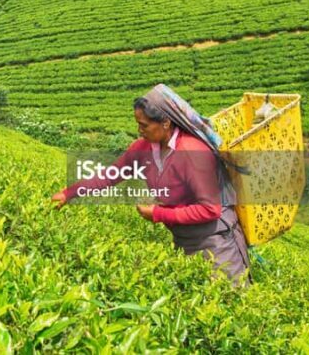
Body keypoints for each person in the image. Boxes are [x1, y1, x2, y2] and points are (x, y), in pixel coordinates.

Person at [51, 83, 252, 287]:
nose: (139, 131)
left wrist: (158, 214)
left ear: (165, 122)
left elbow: (210, 210)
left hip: (217, 241)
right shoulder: (142, 149)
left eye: (144, 125)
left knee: (229, 297)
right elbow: (108, 176)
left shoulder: (192, 152)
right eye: (138, 124)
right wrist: (69, 194)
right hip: (183, 238)